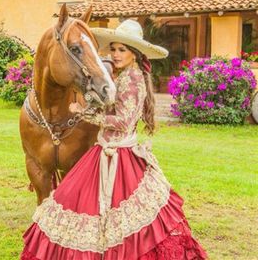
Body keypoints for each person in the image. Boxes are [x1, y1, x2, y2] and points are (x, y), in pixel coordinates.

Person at [21, 19, 206, 259]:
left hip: (120, 155)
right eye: (114, 49)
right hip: (104, 150)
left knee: (124, 213)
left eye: (122, 50)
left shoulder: (134, 80)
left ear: (135, 54)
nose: (116, 55)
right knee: (81, 202)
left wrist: (84, 113)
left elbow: (124, 122)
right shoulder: (122, 76)